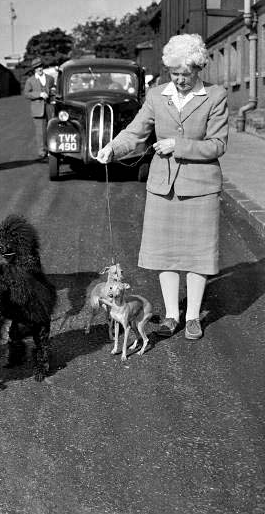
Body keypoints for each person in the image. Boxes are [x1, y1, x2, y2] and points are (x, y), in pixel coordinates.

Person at [96, 33, 228, 341]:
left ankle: (193, 317)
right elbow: (136, 131)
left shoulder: (216, 95)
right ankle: (171, 315)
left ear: (199, 69)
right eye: (175, 73)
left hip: (202, 187)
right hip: (162, 188)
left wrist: (177, 145)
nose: (181, 79)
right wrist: (113, 148)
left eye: (187, 73)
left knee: (198, 255)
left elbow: (218, 145)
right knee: (165, 255)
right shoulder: (156, 95)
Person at [23, 58, 54, 159]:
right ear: (34, 69)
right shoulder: (30, 80)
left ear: (42, 67)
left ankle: (52, 150)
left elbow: (54, 89)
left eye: (40, 66)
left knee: (51, 129)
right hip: (37, 109)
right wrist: (39, 94)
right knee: (40, 132)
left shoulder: (50, 78)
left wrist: (53, 93)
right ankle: (42, 152)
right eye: (37, 67)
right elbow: (26, 94)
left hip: (50, 107)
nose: (39, 69)